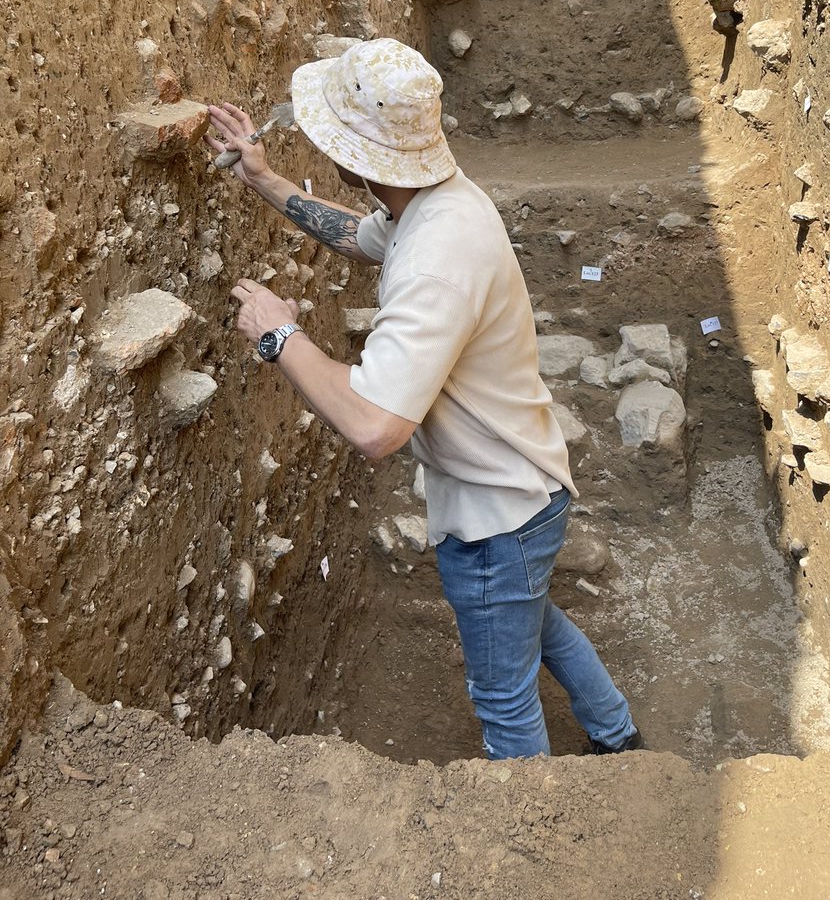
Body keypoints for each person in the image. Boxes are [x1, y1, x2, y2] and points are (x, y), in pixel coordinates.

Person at [205, 37, 641, 760]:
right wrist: (264, 178)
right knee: (537, 628)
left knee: (503, 694)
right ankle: (618, 737)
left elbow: (376, 426)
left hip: (499, 516)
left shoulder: (437, 261)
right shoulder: (434, 204)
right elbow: (355, 236)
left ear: (360, 156)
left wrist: (281, 337)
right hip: (524, 494)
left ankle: (531, 827)